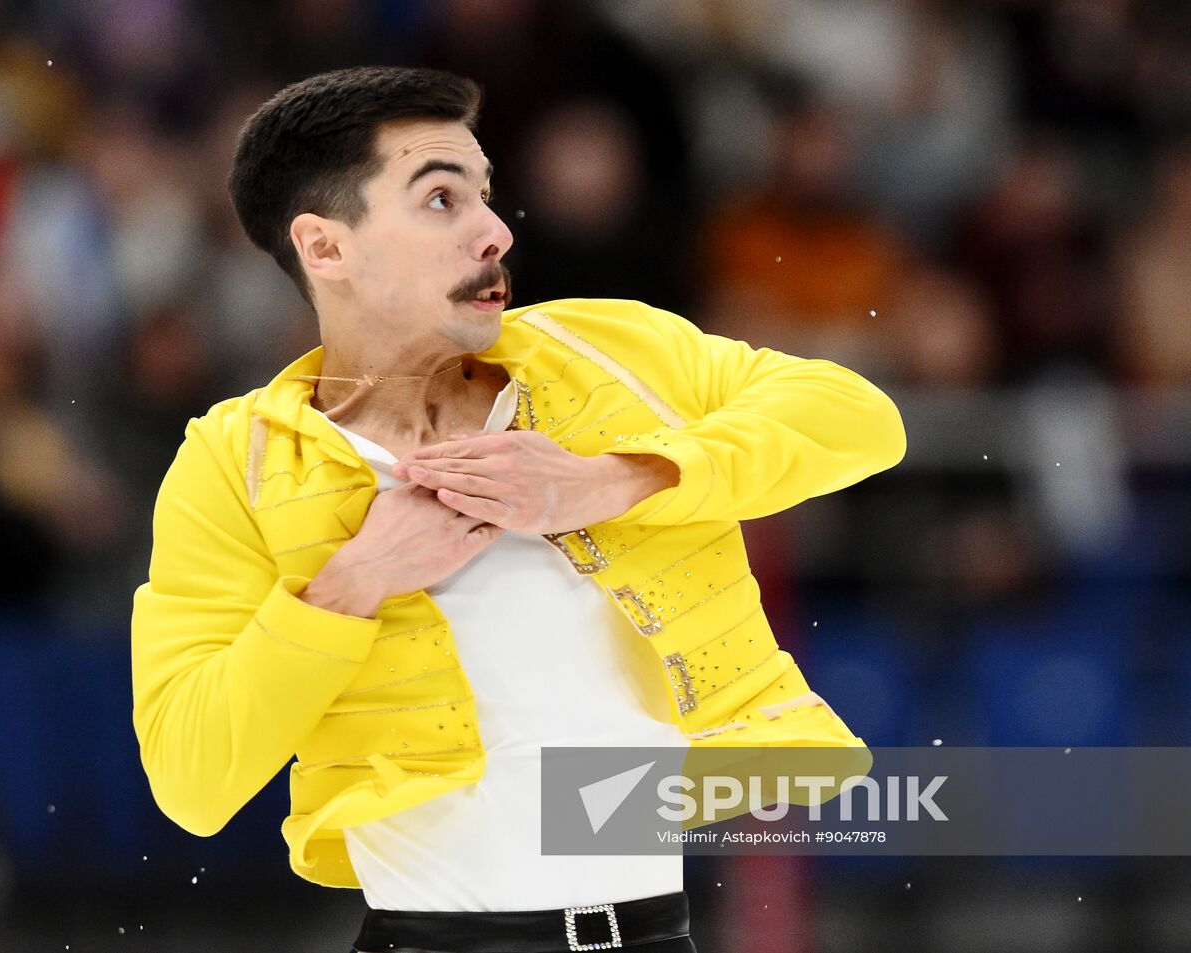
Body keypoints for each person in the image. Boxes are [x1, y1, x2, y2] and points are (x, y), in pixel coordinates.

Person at [131, 65, 907, 953]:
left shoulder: (613, 351)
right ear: (325, 247)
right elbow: (192, 779)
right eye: (439, 201)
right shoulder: (239, 463)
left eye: (487, 197)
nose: (494, 231)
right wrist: (351, 582)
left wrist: (611, 479)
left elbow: (860, 419)